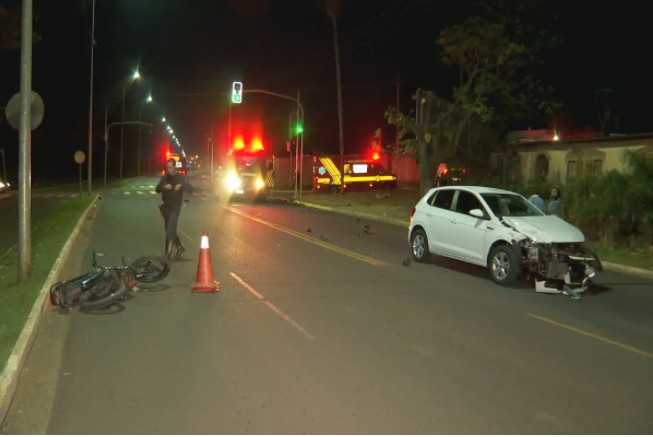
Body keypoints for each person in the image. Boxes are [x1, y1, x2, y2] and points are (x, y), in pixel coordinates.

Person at [156, 158, 193, 259]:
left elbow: (190, 189)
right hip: (166, 207)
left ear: (175, 167)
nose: (168, 169)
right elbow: (157, 189)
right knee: (169, 229)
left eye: (170, 167)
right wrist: (164, 187)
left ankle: (167, 255)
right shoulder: (165, 178)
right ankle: (180, 246)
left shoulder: (181, 177)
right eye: (167, 167)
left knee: (170, 229)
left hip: (175, 207)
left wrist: (181, 185)